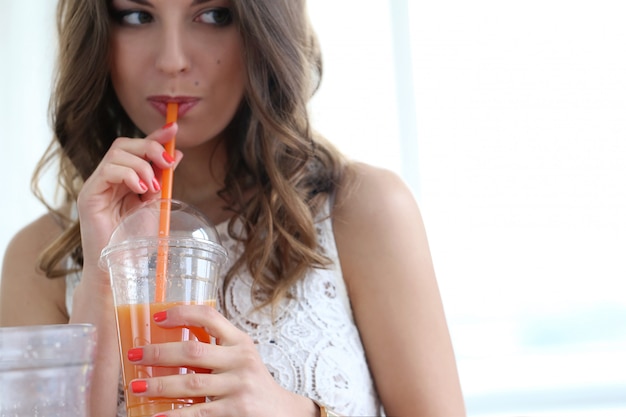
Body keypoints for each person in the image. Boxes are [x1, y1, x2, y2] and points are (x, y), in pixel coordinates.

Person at [0, 0, 466, 416]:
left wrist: (295, 414)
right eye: (137, 16)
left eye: (214, 15)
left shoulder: (362, 212)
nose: (173, 61)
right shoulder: (38, 259)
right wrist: (103, 279)